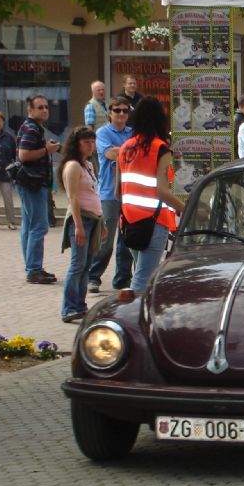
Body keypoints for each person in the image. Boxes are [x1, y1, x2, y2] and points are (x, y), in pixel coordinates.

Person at [117, 96, 185, 295]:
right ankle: (132, 313)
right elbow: (162, 191)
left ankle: (142, 311)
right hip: (153, 222)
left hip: (128, 222)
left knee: (142, 274)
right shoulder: (160, 148)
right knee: (143, 280)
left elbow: (116, 190)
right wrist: (186, 207)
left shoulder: (125, 147)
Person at [86, 97, 134, 293]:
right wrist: (129, 151)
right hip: (108, 192)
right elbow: (109, 154)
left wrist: (119, 151)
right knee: (106, 238)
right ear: (110, 113)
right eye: (117, 110)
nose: (121, 114)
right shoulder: (102, 132)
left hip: (130, 191)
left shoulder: (132, 132)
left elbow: (127, 153)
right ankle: (93, 277)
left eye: (125, 110)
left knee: (127, 238)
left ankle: (122, 279)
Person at [59, 126, 105, 323]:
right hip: (81, 219)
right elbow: (73, 197)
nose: (90, 146)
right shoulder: (73, 166)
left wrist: (102, 222)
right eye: (86, 142)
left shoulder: (87, 164)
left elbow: (94, 193)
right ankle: (69, 308)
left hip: (93, 218)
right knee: (77, 264)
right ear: (76, 144)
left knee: (86, 264)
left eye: (92, 142)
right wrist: (78, 225)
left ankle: (79, 304)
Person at [16, 94, 60, 284]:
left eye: (46, 107)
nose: (44, 110)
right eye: (40, 107)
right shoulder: (31, 128)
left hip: (32, 183)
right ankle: (34, 269)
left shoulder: (34, 127)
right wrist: (47, 150)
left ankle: (32, 268)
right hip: (32, 183)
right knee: (39, 226)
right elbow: (24, 155)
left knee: (29, 225)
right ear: (30, 110)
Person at [0, 110, 17, 229]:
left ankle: (11, 222)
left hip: (5, 172)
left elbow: (13, 155)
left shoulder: (8, 137)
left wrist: (13, 169)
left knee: (8, 198)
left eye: (1, 121)